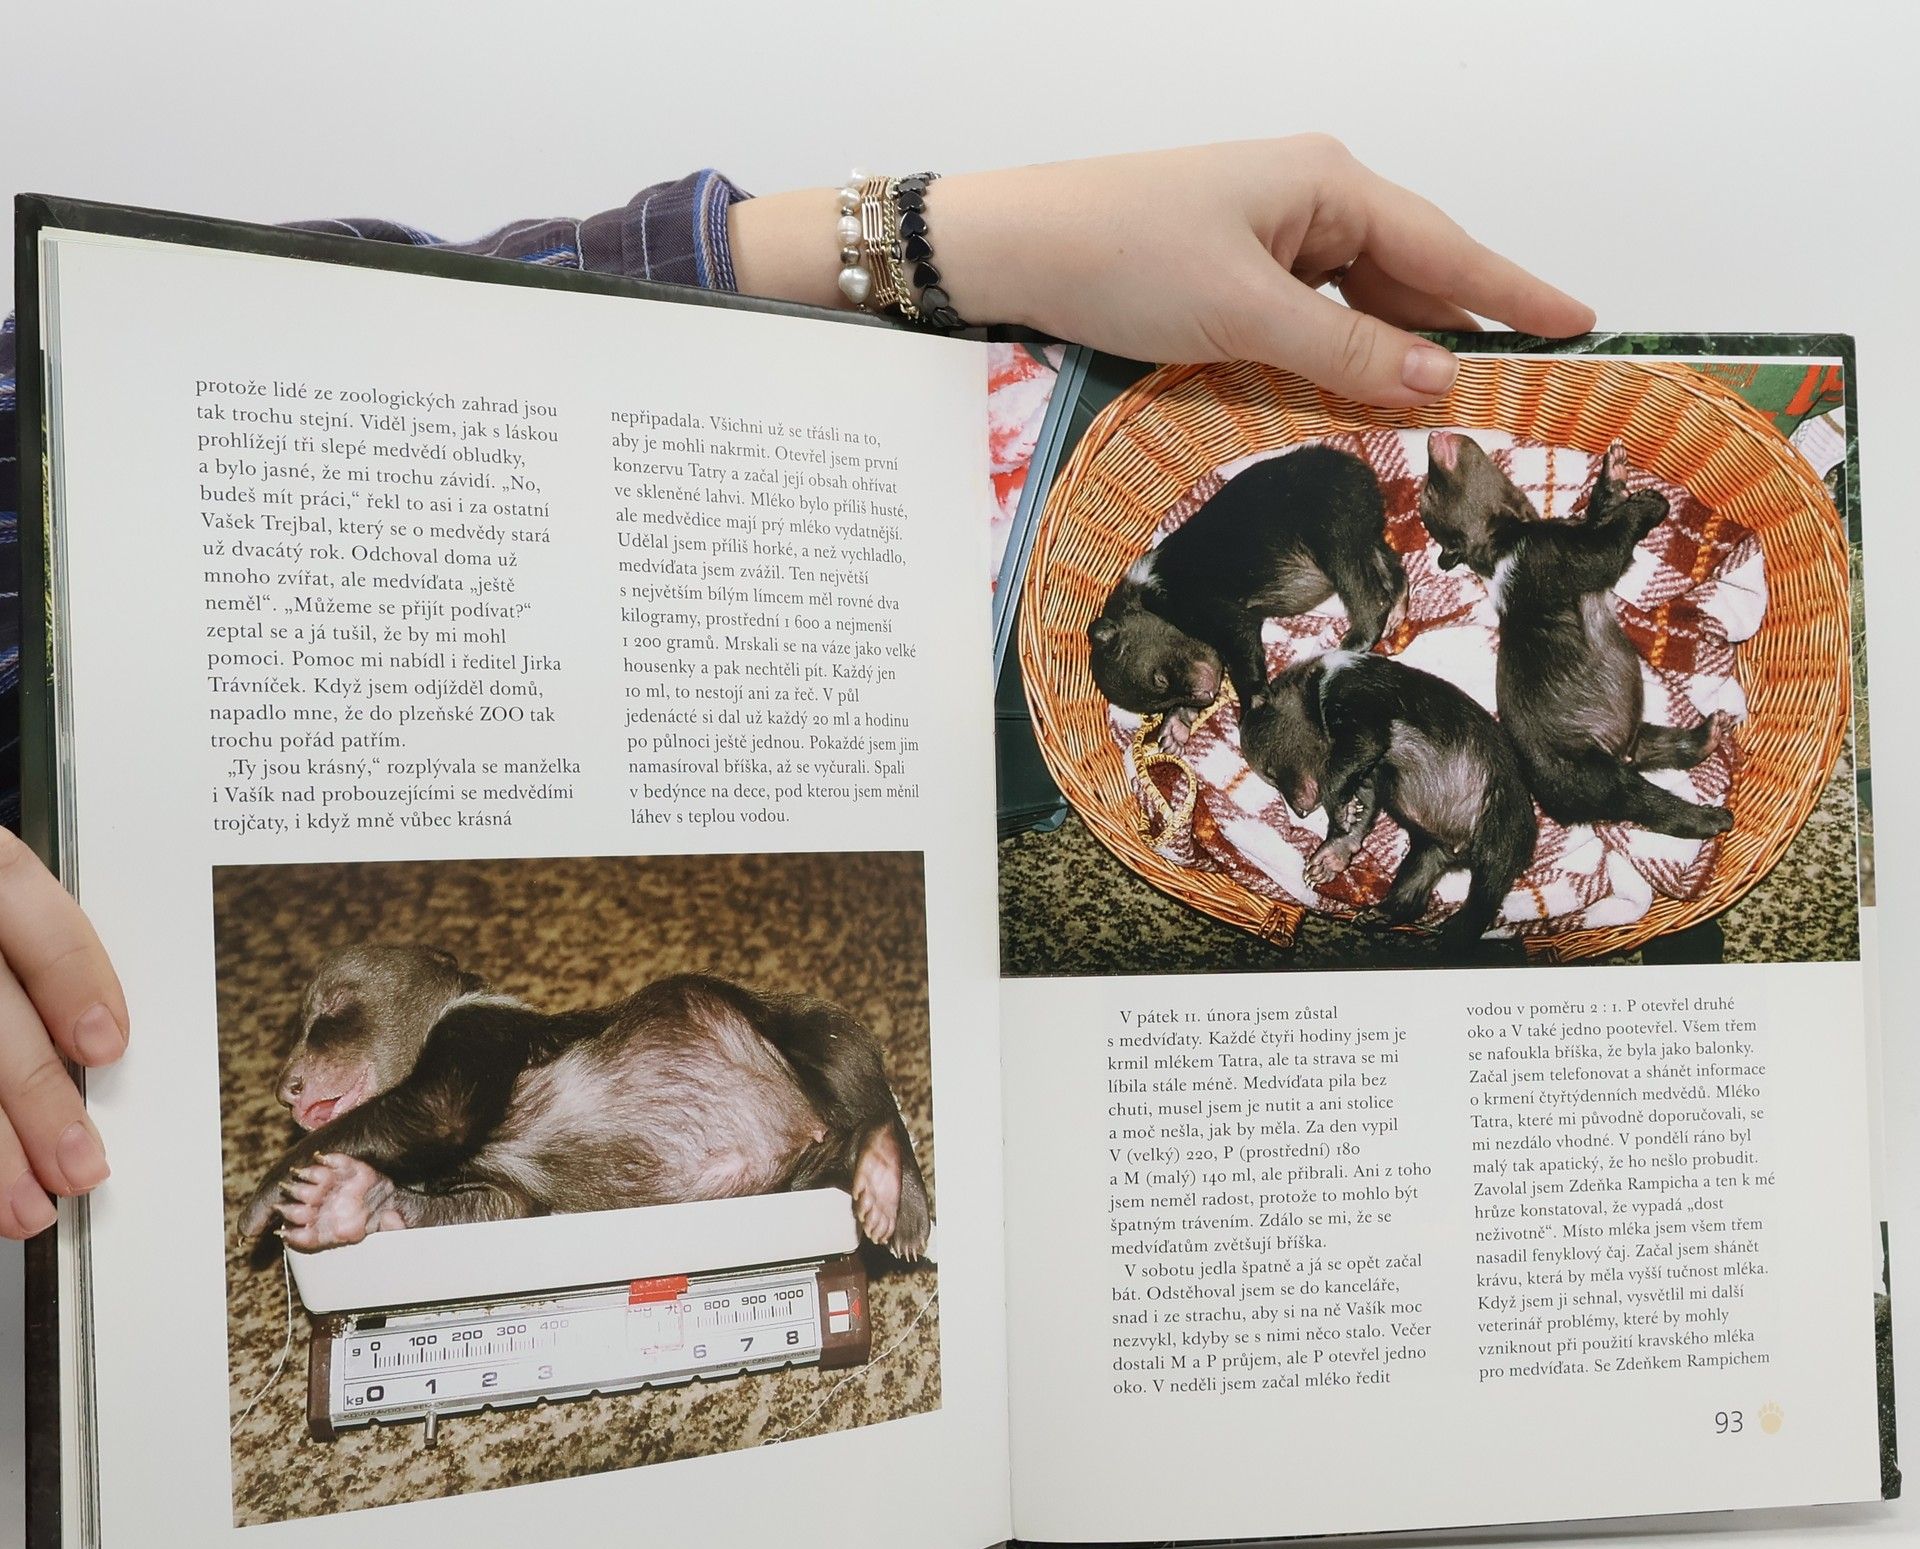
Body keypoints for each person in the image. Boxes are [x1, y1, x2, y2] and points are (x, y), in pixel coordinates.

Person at [0, 138, 1592, 1238]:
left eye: (334, 1022)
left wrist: (932, 242)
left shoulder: (474, 1045)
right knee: (503, 1190)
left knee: (818, 1020)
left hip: (736, 1044)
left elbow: (328, 323)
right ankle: (851, 1163)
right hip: (695, 1134)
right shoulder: (482, 1095)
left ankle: (864, 1147)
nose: (305, 1065)